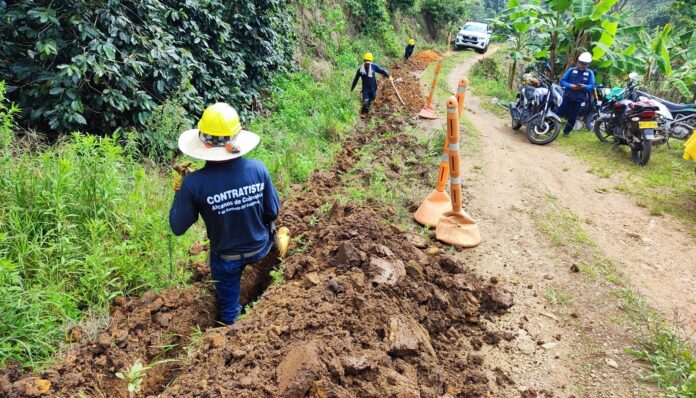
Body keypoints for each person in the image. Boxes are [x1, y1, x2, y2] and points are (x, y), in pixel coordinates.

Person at [169, 102, 288, 325]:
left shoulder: (194, 184)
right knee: (274, 232)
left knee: (229, 311)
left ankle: (233, 324)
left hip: (227, 258)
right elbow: (273, 211)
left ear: (203, 143)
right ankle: (277, 249)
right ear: (235, 140)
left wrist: (180, 190)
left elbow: (177, 227)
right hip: (259, 247)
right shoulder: (258, 169)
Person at [557, 52, 595, 136]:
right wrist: (570, 86)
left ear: (588, 64)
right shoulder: (571, 70)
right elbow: (563, 81)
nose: (582, 65)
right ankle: (550, 127)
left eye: (585, 64)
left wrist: (584, 86)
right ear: (578, 62)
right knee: (559, 112)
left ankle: (566, 132)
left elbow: (592, 85)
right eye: (581, 63)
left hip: (579, 98)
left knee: (573, 116)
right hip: (568, 96)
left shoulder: (590, 73)